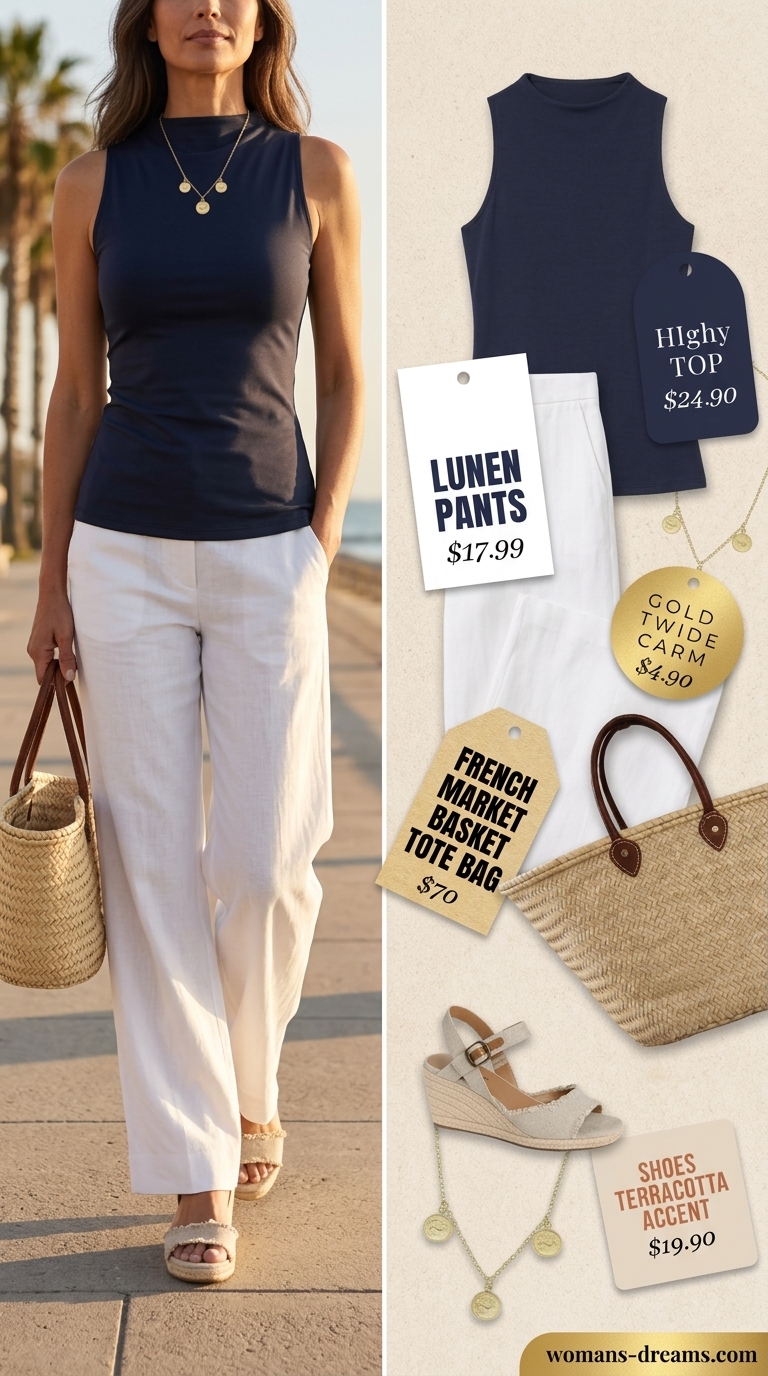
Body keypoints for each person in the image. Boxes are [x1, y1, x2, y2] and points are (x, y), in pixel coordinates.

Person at [27, 0, 363, 1283]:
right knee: (152, 865)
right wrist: (52, 582)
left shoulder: (315, 171)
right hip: (123, 556)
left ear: (263, 17)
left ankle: (252, 1081)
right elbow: (73, 391)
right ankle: (195, 1169)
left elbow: (343, 369)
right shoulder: (92, 182)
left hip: (268, 546)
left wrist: (323, 537)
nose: (207, 7)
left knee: (271, 859)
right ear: (149, 20)